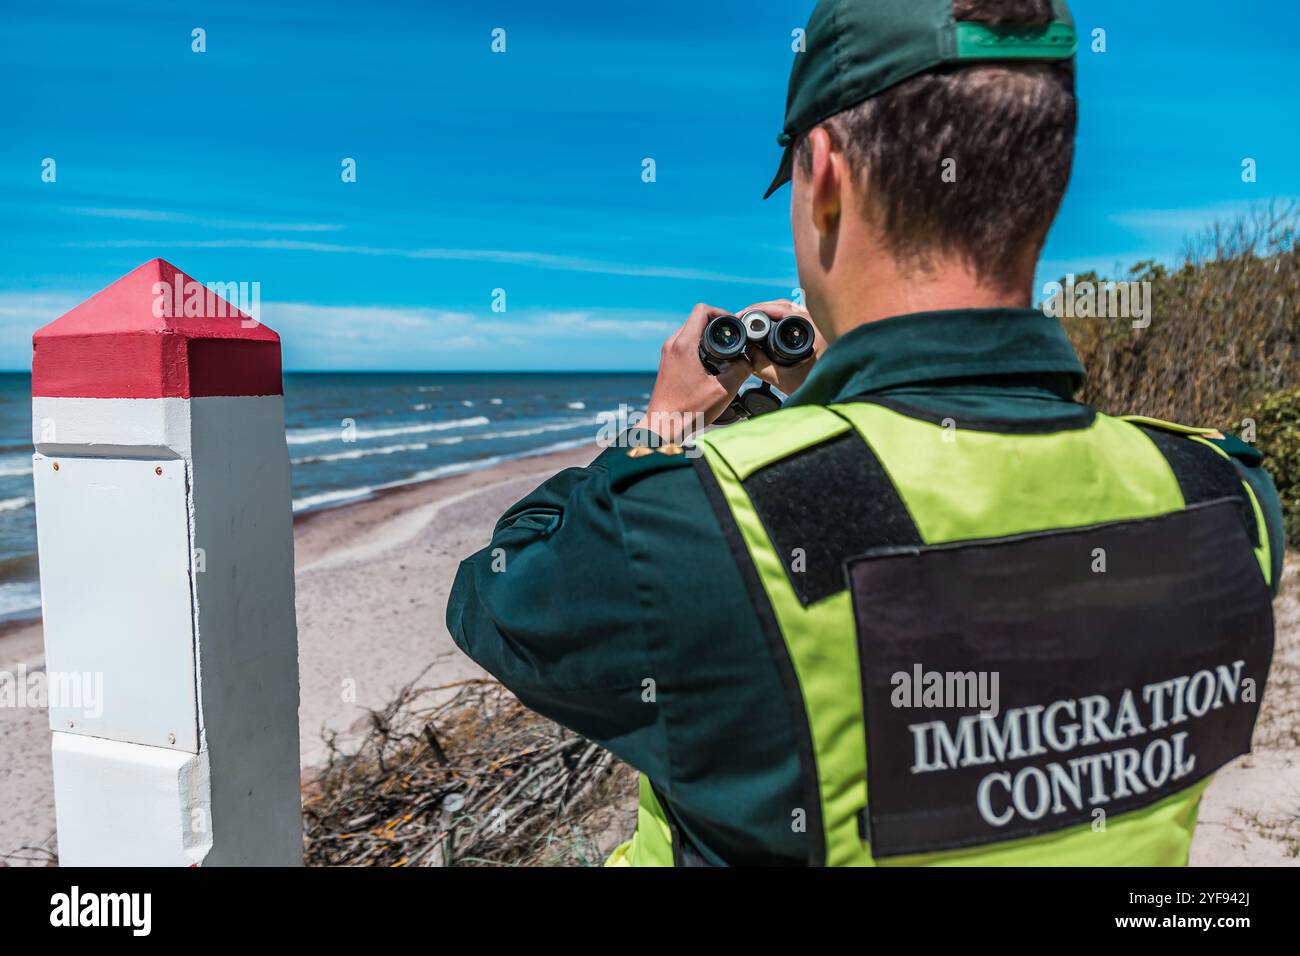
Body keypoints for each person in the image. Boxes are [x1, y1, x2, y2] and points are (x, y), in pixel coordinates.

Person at [446, 0, 1284, 866]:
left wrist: (663, 426)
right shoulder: (1228, 499)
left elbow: (495, 600)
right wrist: (829, 413)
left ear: (828, 175)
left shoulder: (693, 528)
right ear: (1051, 173)